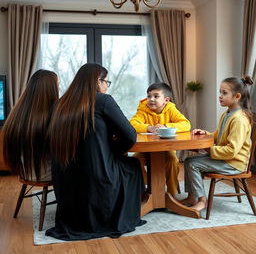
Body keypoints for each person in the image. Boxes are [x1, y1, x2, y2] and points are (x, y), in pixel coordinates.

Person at [45, 63, 145, 241]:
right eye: (106, 81)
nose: (107, 86)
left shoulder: (59, 104)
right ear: (97, 82)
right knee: (133, 165)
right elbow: (130, 136)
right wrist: (113, 152)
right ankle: (126, 213)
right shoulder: (103, 100)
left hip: (65, 181)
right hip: (97, 178)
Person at [181, 76, 254, 211]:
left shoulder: (239, 119)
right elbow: (218, 134)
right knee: (188, 161)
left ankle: (202, 201)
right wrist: (204, 134)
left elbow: (232, 150)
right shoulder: (227, 114)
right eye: (220, 92)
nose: (220, 96)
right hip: (226, 159)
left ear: (237, 96)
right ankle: (192, 196)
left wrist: (208, 149)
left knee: (192, 163)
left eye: (224, 93)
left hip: (234, 163)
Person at [130, 83, 191, 195]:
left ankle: (172, 193)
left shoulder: (171, 109)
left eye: (156, 96)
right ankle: (148, 188)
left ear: (166, 100)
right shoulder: (143, 110)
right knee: (134, 161)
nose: (151, 99)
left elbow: (186, 124)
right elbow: (132, 124)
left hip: (166, 150)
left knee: (173, 160)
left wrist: (167, 126)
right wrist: (149, 127)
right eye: (149, 96)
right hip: (146, 150)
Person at [3, 69, 59, 181]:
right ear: (50, 89)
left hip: (25, 172)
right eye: (57, 85)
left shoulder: (17, 114)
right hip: (47, 175)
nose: (59, 88)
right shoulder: (53, 115)